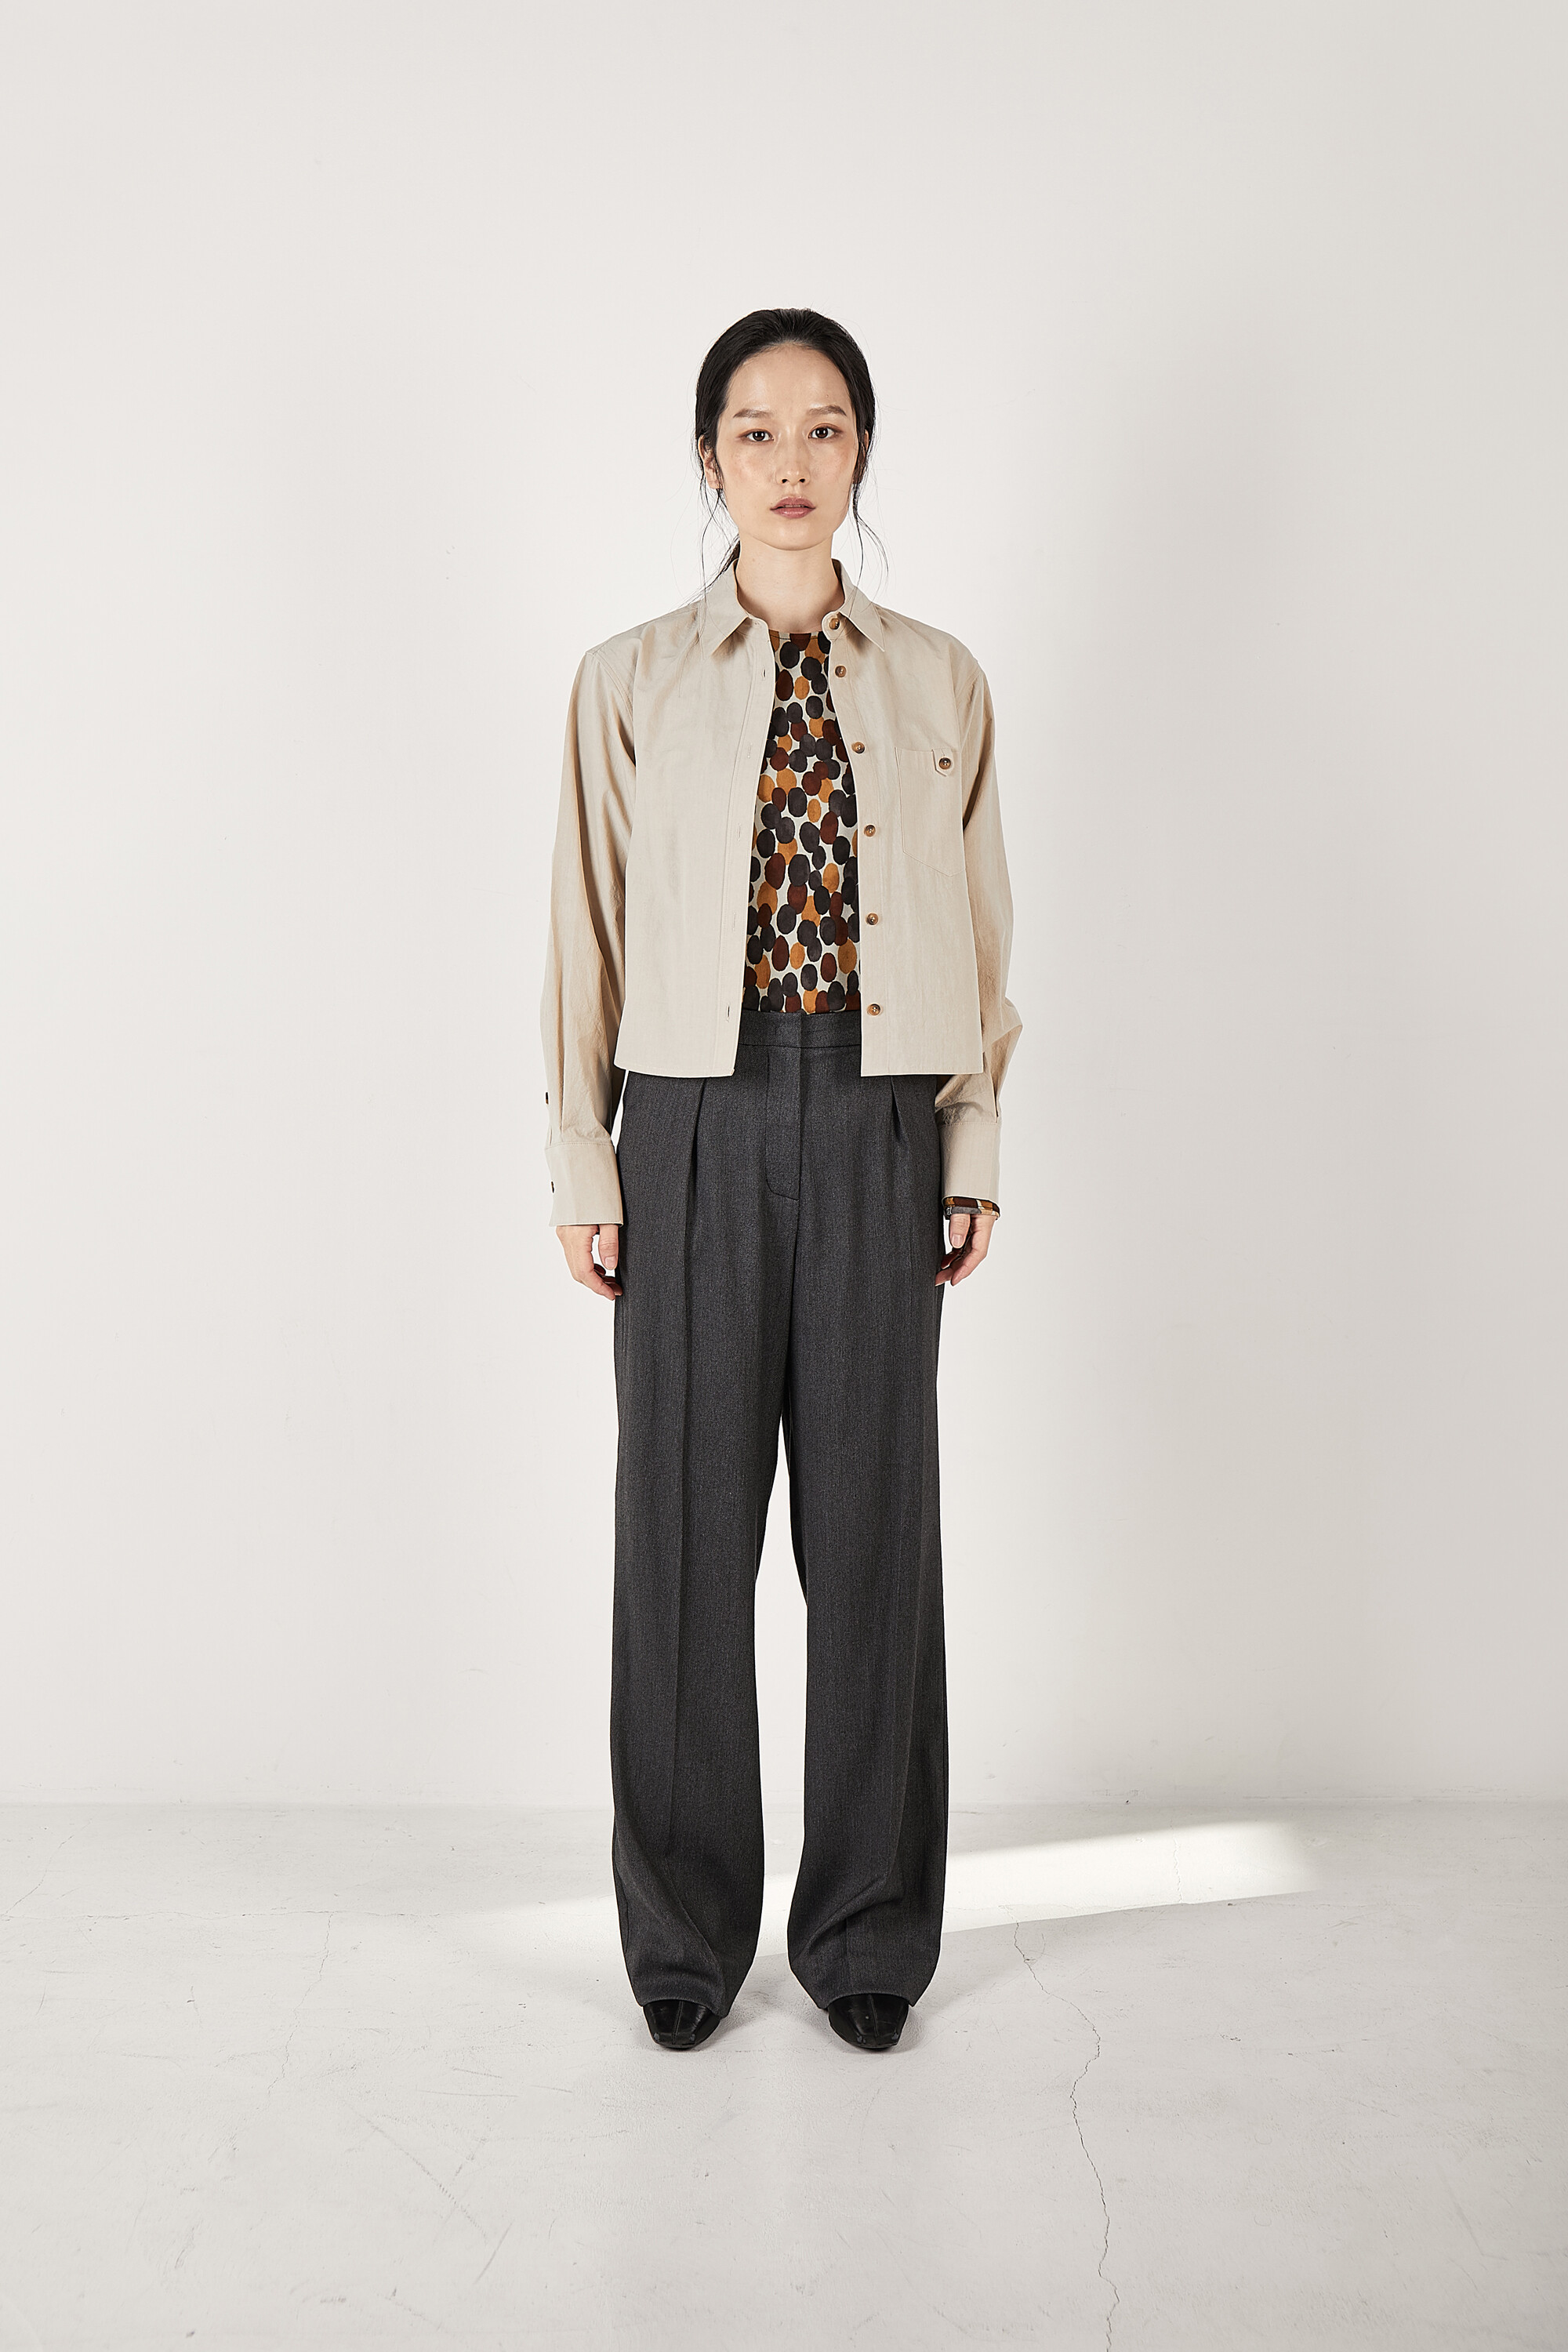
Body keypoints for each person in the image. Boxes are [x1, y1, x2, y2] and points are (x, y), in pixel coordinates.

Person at [540, 308, 1022, 2055]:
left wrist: (968, 1138)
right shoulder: (627, 682)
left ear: (861, 451)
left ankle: (867, 1933)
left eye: (824, 429)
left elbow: (982, 924)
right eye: (756, 432)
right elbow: (585, 928)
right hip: (689, 1120)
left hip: (882, 1114)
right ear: (709, 461)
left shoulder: (941, 679)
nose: (792, 462)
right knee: (681, 1534)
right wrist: (585, 1157)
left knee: (875, 1537)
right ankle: (683, 1941)